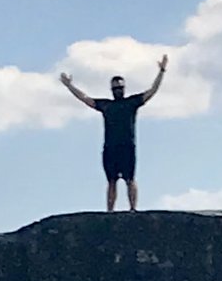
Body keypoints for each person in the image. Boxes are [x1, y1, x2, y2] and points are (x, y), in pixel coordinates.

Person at [60, 53, 168, 210]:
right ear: (111, 89)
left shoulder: (131, 103)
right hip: (110, 147)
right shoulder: (106, 106)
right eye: (115, 88)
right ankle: (110, 211)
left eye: (120, 87)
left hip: (127, 146)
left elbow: (152, 91)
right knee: (111, 180)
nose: (118, 90)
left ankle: (133, 209)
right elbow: (85, 98)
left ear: (124, 88)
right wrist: (69, 86)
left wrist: (162, 71)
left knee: (130, 179)